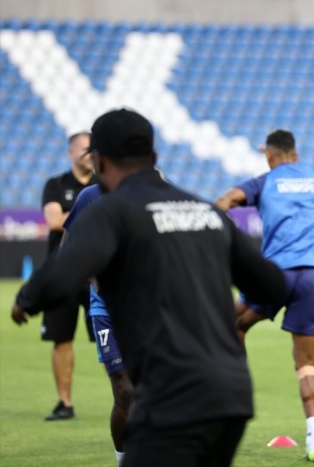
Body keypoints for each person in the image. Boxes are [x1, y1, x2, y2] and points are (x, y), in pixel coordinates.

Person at [12, 108, 288, 467]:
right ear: (154, 158)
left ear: (98, 161)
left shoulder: (112, 210)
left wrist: (26, 300)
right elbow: (273, 287)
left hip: (170, 397)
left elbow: (62, 274)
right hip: (230, 396)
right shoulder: (203, 209)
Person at [215, 129, 314, 462]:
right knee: (306, 364)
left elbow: (224, 203)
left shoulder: (263, 181)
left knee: (230, 323)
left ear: (269, 154)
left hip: (273, 275)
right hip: (309, 276)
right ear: (294, 152)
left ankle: (231, 400)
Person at [63, 184, 133, 466]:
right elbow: (67, 248)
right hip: (106, 308)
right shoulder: (89, 197)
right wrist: (92, 275)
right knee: (125, 391)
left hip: (150, 307)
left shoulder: (156, 192)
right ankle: (123, 460)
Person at [40, 131, 96, 420]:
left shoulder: (104, 184)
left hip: (98, 276)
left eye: (93, 149)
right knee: (61, 338)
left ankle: (130, 398)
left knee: (116, 337)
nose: (90, 154)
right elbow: (53, 222)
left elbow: (64, 219)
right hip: (62, 272)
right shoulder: (56, 184)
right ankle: (65, 403)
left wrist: (71, 217)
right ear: (71, 153)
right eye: (85, 149)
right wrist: (97, 216)